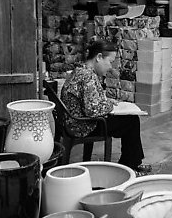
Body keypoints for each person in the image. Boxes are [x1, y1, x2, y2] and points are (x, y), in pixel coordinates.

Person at [60, 40, 151, 174]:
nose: (110, 67)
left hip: (75, 121)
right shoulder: (87, 76)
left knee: (130, 120)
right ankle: (129, 165)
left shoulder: (81, 70)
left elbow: (86, 98)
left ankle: (133, 162)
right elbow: (92, 110)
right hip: (83, 125)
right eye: (109, 62)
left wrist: (106, 100)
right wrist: (110, 106)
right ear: (99, 57)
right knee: (131, 121)